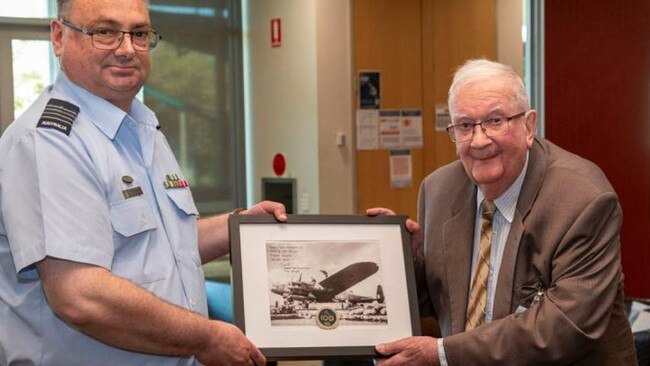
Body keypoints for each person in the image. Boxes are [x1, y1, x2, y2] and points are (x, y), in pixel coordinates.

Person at [0, 0, 286, 365]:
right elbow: (80, 295)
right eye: (104, 33)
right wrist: (206, 336)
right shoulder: (50, 141)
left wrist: (240, 227)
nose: (126, 49)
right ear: (59, 37)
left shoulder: (142, 127)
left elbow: (164, 246)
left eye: (138, 34)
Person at [369, 59, 637, 365]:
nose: (480, 140)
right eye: (465, 125)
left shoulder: (582, 200)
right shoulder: (438, 191)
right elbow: (436, 302)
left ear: (529, 126)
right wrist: (403, 259)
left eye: (496, 121)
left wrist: (442, 354)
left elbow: (563, 327)